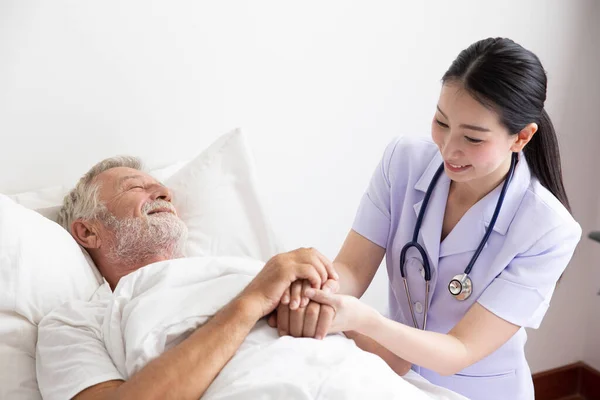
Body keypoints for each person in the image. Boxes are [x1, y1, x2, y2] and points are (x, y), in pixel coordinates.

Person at [272, 37, 582, 400]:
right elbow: (353, 269)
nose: (449, 149)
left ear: (522, 137)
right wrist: (317, 294)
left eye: (473, 138)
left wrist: (365, 321)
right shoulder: (402, 162)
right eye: (441, 121)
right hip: (390, 376)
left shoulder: (549, 229)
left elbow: (460, 350)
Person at [35, 157, 342, 400]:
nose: (164, 193)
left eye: (161, 187)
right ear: (88, 231)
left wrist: (328, 304)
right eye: (134, 188)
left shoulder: (246, 269)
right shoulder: (75, 322)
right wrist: (253, 301)